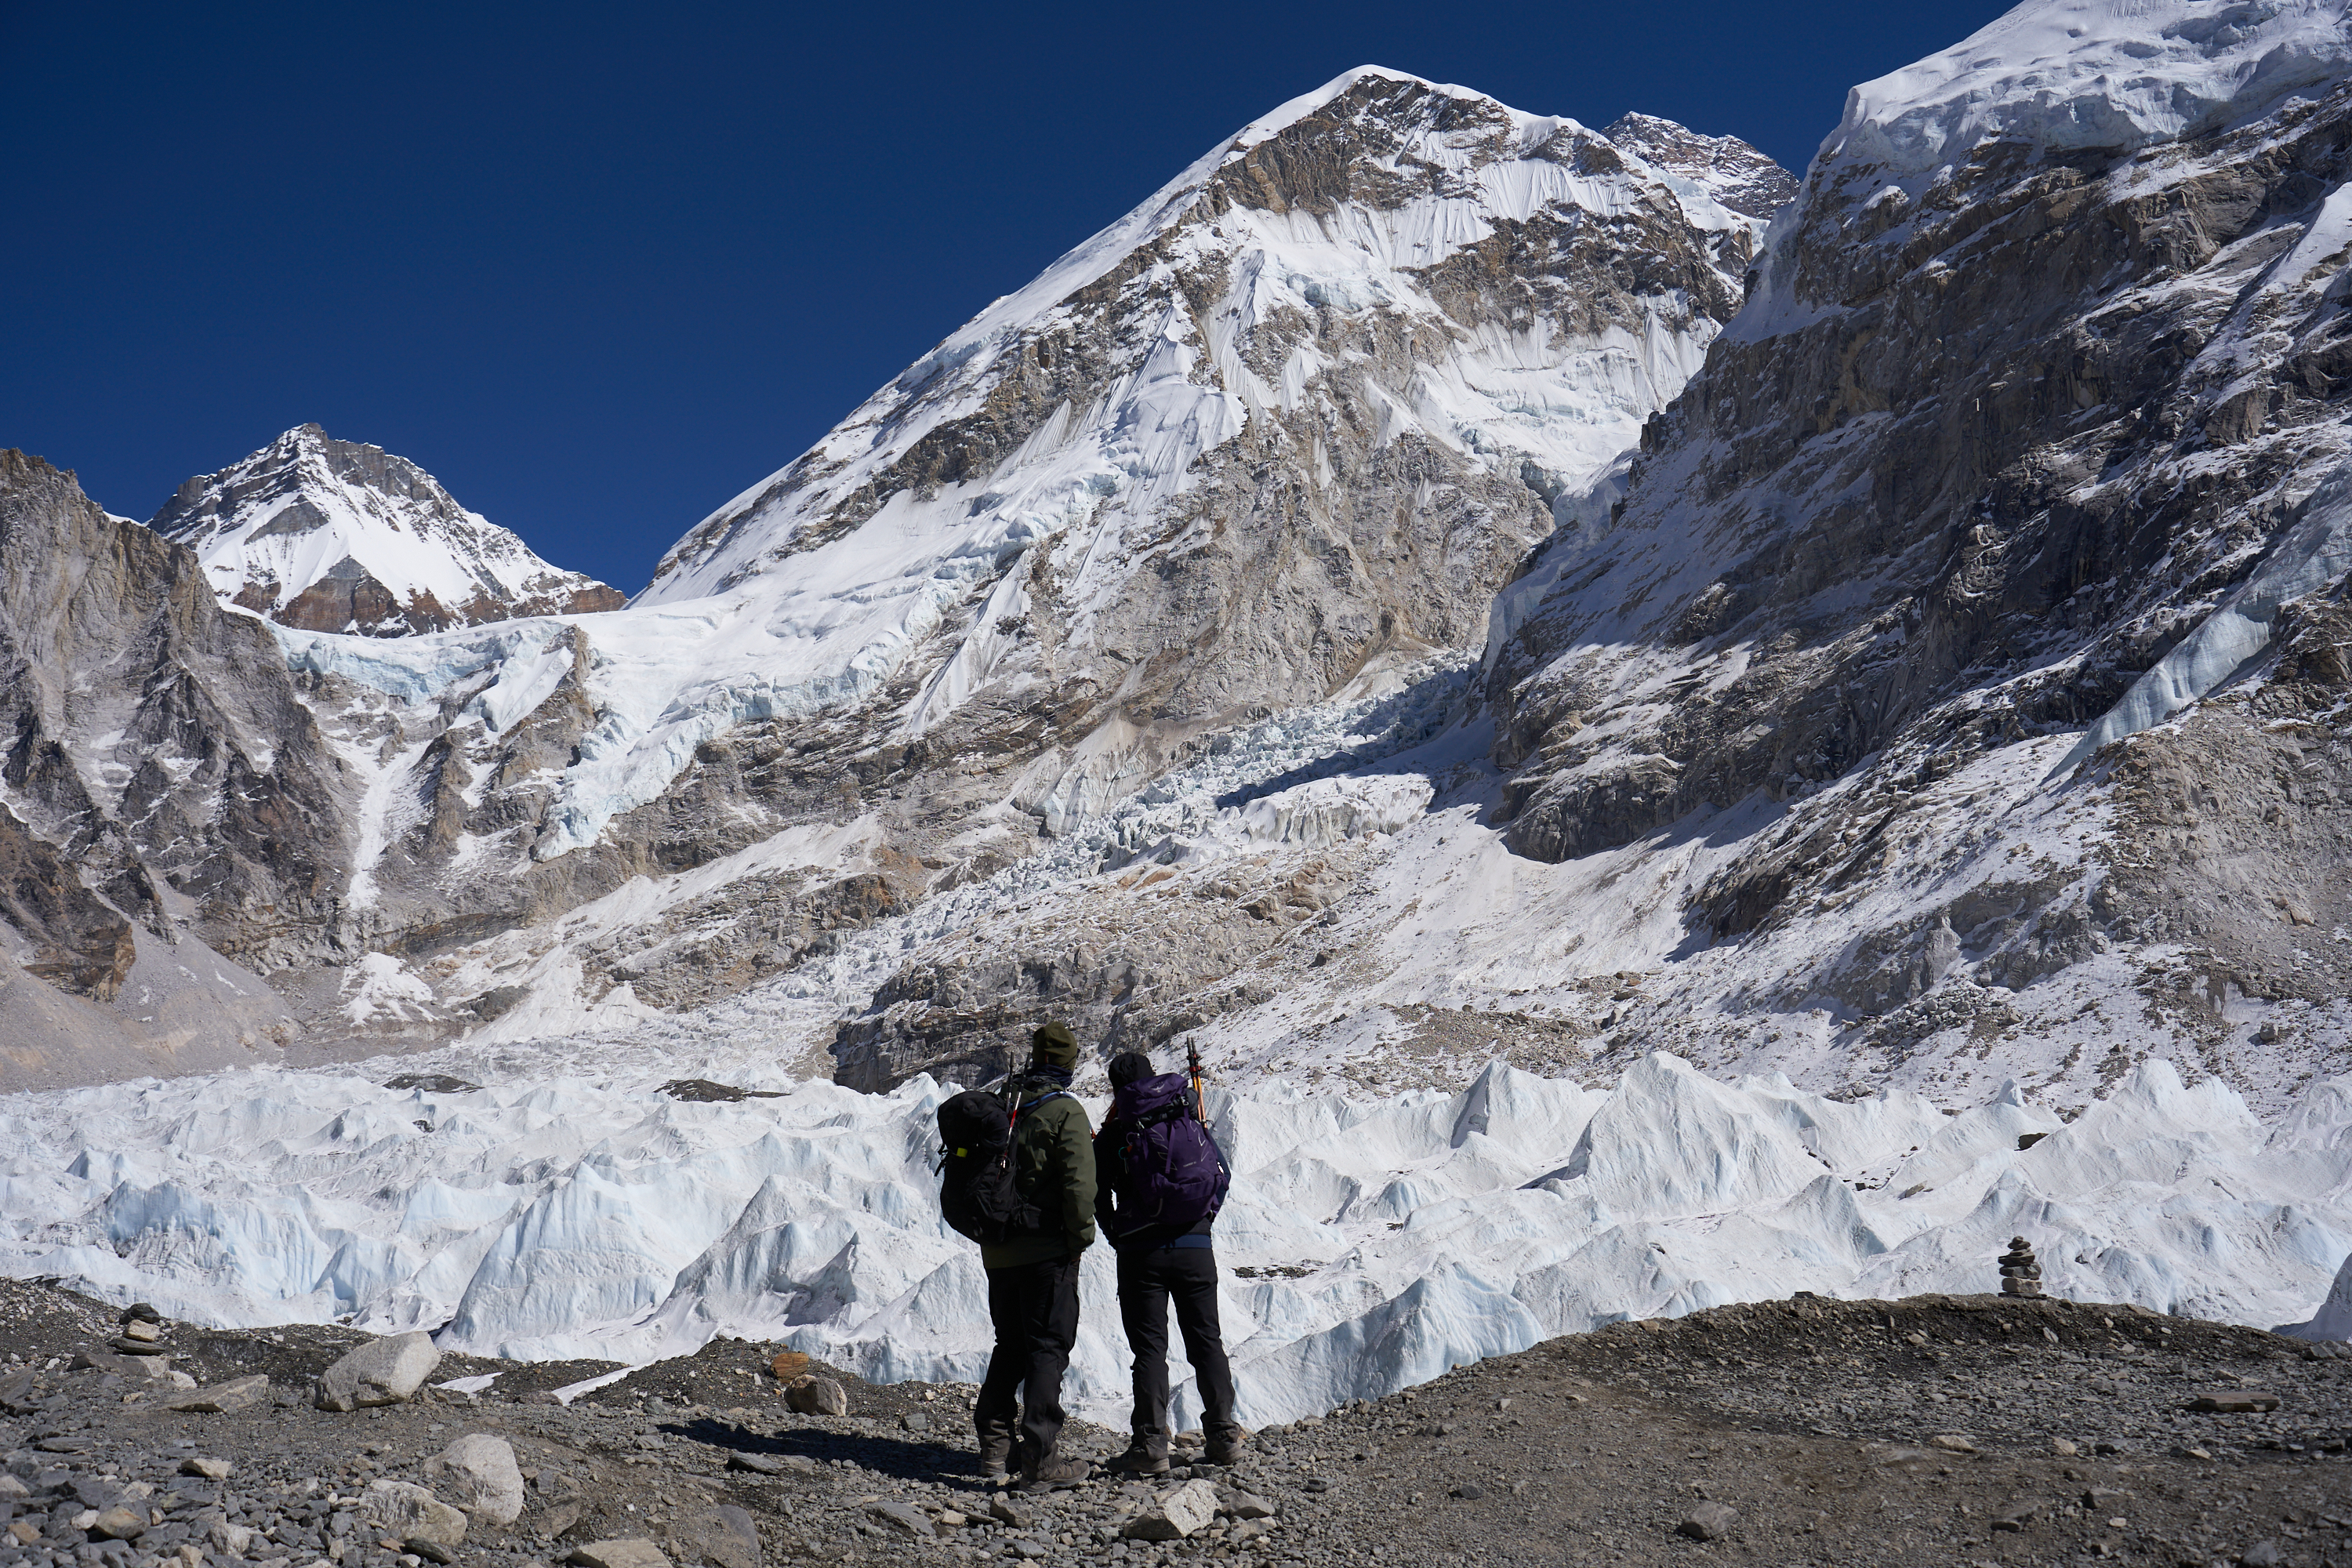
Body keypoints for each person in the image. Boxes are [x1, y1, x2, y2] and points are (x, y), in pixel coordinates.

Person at [1094, 1048, 1248, 1474]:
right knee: (1207, 1341)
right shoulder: (1185, 1118)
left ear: (1116, 1089)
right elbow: (1221, 1174)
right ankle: (1223, 1437)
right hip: (1196, 1248)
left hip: (1140, 1254)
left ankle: (1151, 1447)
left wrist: (1118, 1235)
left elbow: (1097, 1196)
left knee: (1149, 1350)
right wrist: (1203, 1221)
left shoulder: (1114, 1134)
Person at [973, 1021, 1098, 1489]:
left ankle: (994, 1446)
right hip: (1047, 1253)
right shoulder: (1065, 1111)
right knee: (1047, 1347)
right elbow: (1080, 1186)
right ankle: (1040, 1460)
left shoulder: (1006, 1104)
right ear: (1068, 1063)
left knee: (1010, 1344)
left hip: (999, 1252)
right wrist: (1079, 1239)